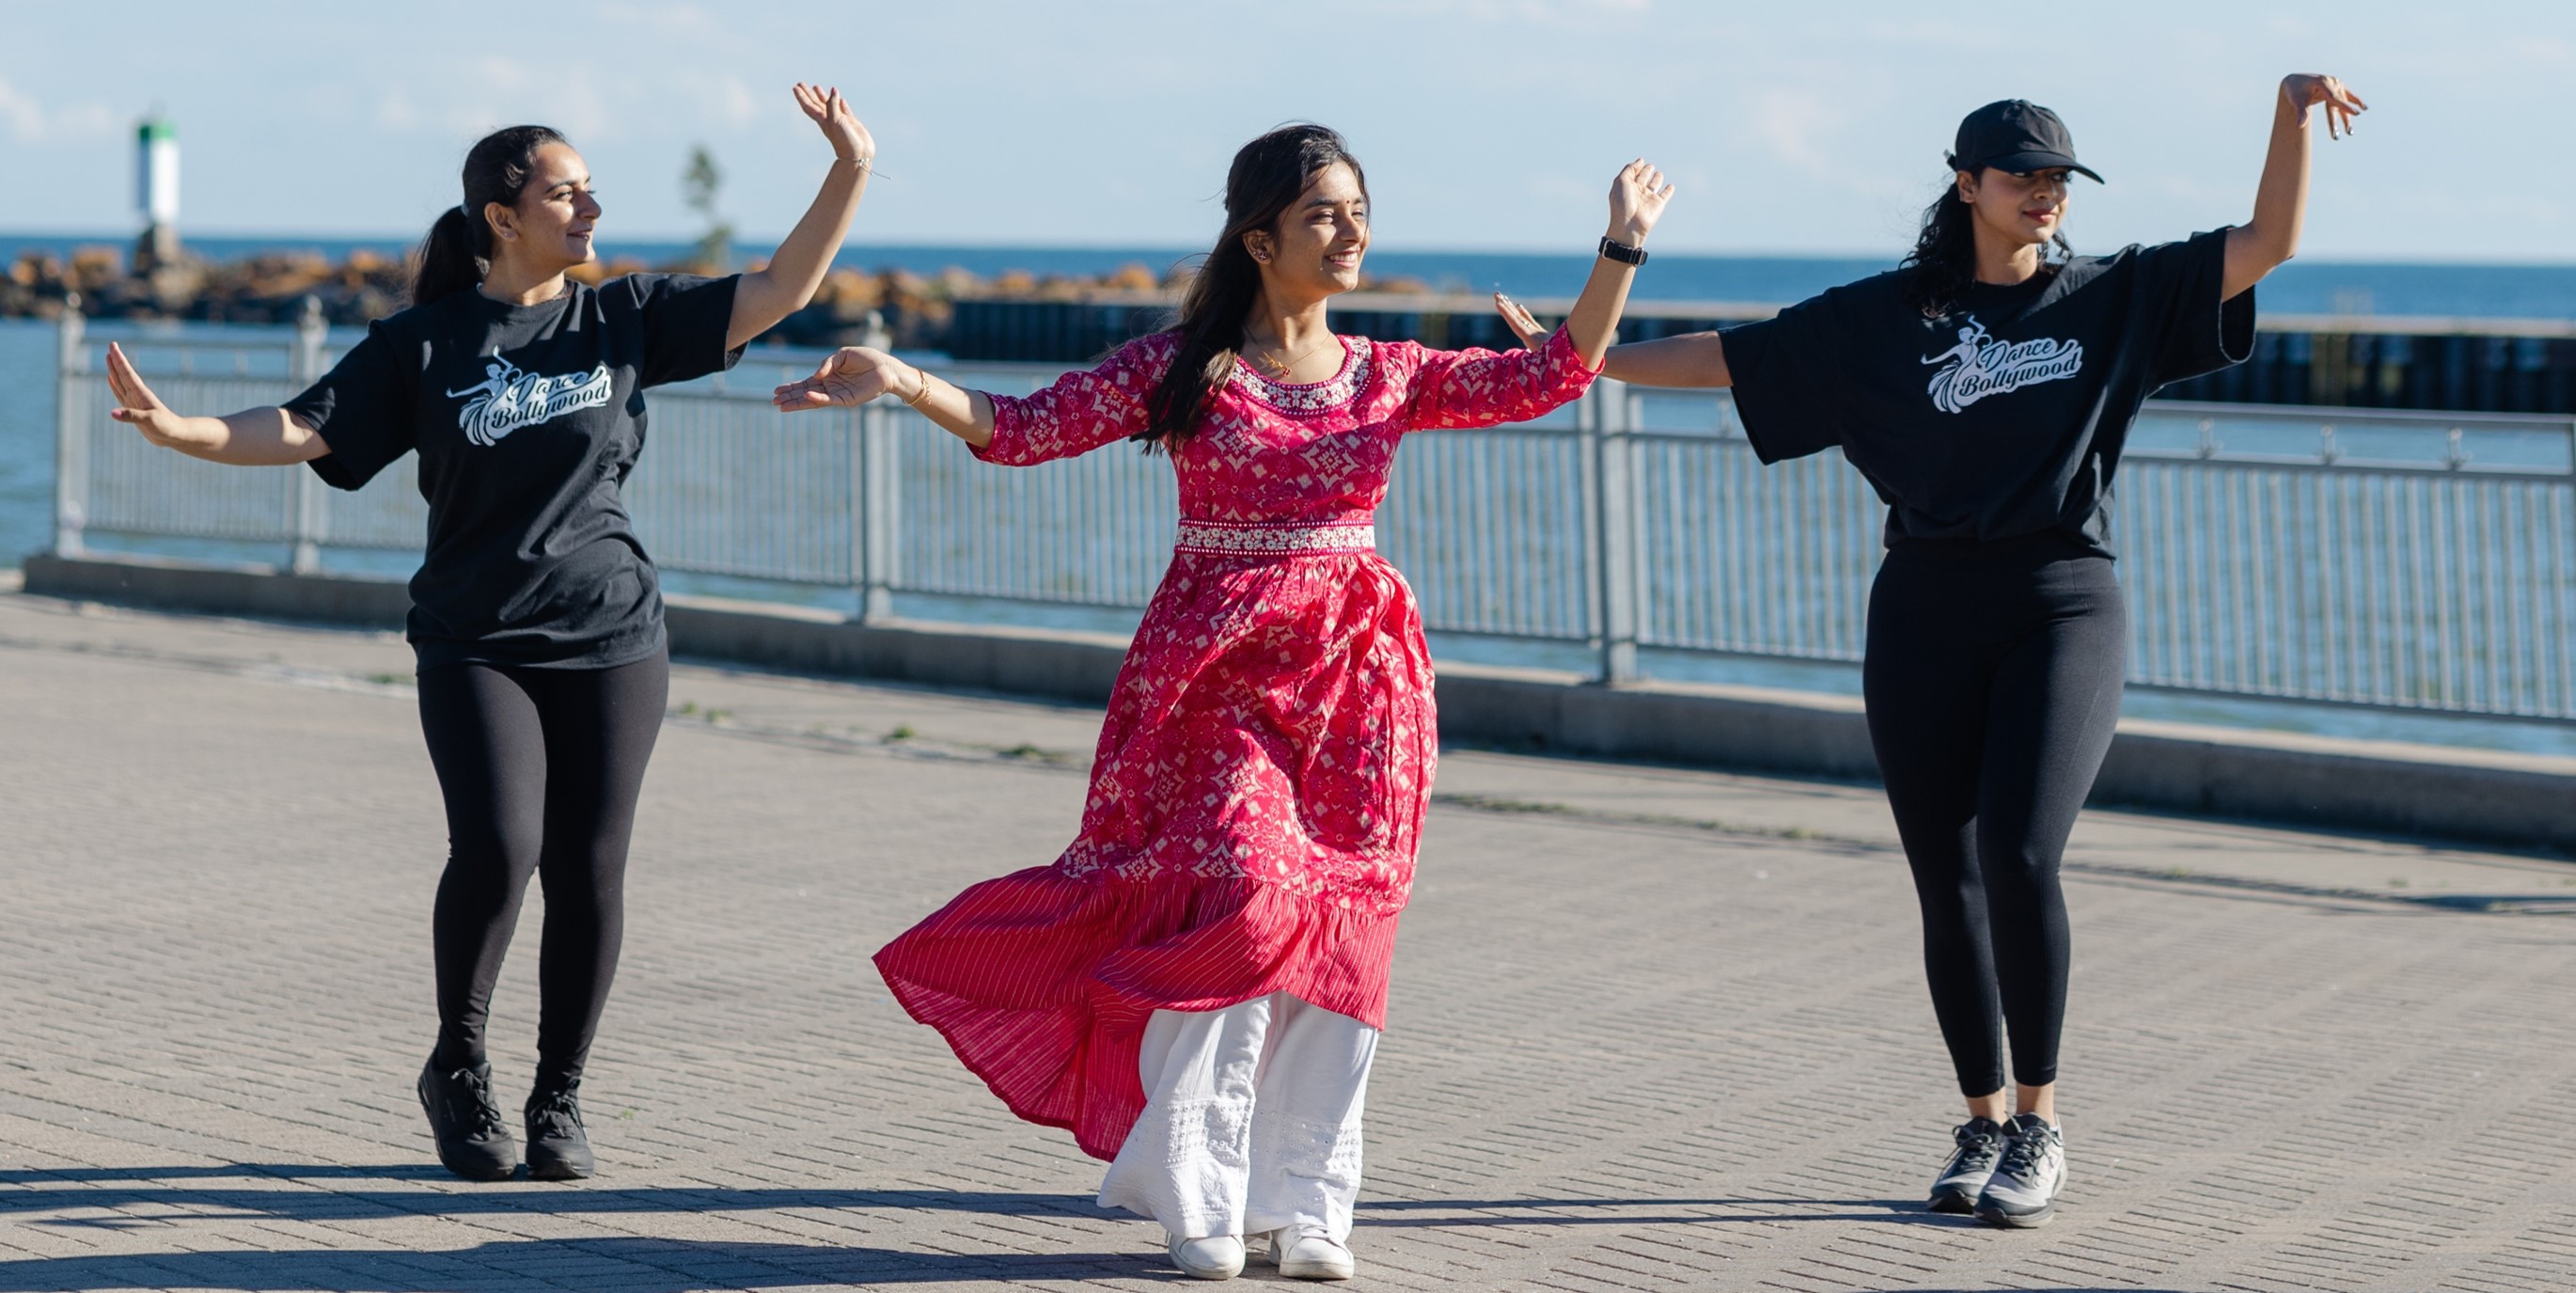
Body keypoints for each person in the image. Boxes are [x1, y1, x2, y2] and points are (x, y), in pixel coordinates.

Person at [773, 124, 1671, 1280]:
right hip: (1214, 679)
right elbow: (1027, 429)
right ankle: (1198, 1189)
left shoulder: (1389, 371)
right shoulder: (1184, 368)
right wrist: (901, 378)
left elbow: (1549, 376)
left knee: (1343, 933)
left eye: (1357, 211)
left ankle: (1310, 1206)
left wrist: (1619, 250)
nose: (1350, 233)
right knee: (1242, 908)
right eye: (1323, 216)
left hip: (1361, 680)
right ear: (1259, 239)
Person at [1495, 75, 2365, 1229]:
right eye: (2022, 176)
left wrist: (2288, 115)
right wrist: (1589, 356)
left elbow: (2270, 241)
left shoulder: (2113, 295)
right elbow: (1732, 360)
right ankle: (1981, 1121)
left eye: (2059, 178)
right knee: (1943, 877)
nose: (2044, 195)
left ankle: (2041, 1122)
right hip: (1921, 608)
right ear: (1967, 183)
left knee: (2018, 852)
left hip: (2062, 601)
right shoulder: (1879, 320)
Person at [102, 85, 876, 1183]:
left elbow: (783, 287)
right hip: (473, 638)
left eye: (592, 189)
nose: (591, 207)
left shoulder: (622, 316)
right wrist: (182, 430)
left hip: (612, 634)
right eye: (567, 192)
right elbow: (304, 425)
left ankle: (558, 1095)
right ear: (503, 215)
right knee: (501, 847)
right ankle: (458, 1065)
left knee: (591, 867)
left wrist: (850, 165)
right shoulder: (423, 343)